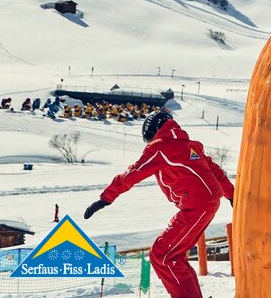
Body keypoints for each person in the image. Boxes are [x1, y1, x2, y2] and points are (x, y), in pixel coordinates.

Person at [83, 109, 233, 298]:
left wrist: (106, 198)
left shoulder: (160, 147)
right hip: (203, 204)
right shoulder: (190, 145)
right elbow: (215, 170)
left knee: (163, 256)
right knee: (173, 255)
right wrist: (231, 195)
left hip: (197, 206)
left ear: (151, 131)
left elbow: (134, 172)